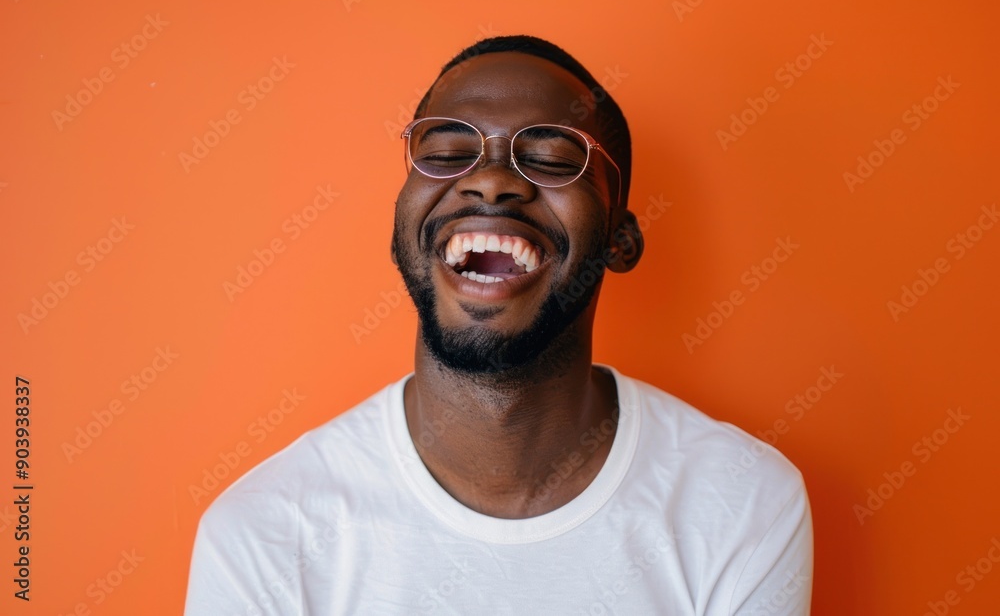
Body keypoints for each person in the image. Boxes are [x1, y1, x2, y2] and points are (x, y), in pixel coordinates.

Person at [184, 35, 813, 615]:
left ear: (619, 240)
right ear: (401, 225)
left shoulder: (742, 505)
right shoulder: (263, 535)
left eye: (550, 159)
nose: (488, 181)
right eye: (445, 153)